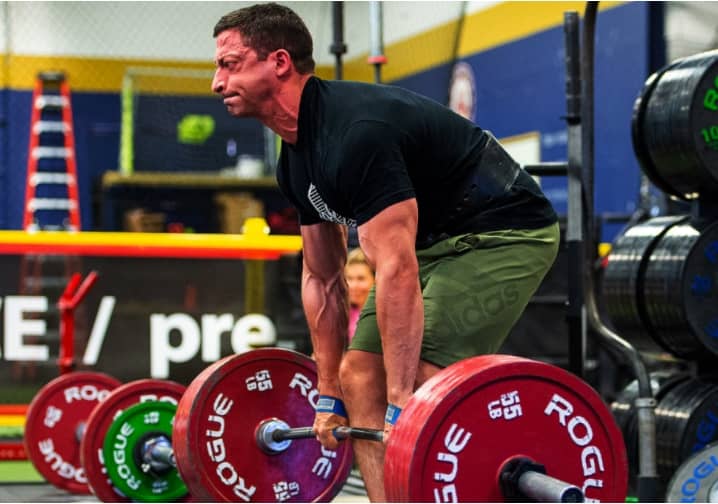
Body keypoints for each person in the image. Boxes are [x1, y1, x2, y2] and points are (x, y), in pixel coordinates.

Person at [211, 4, 560, 500]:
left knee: (422, 378)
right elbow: (323, 279)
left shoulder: (356, 133)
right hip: (430, 244)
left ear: (279, 62)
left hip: (502, 230)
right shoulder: (295, 161)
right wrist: (328, 392)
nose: (216, 81)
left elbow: (394, 269)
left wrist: (402, 405)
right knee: (358, 376)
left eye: (230, 63)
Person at [345, 248, 375, 343]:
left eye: (361, 279)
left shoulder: (382, 316)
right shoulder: (342, 313)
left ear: (375, 280)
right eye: (349, 278)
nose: (353, 285)